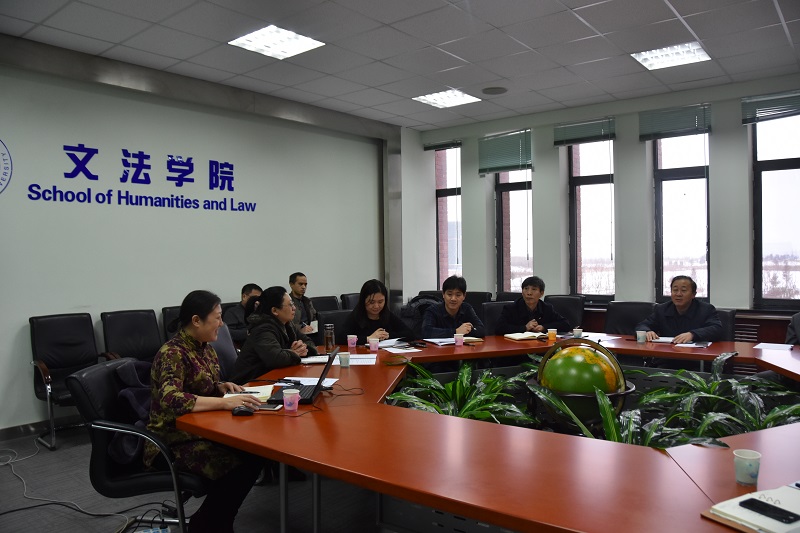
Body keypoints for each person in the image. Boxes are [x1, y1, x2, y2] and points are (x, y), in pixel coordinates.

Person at [145, 290, 264, 533]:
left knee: (255, 453)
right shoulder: (173, 353)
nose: (222, 324)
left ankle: (213, 521)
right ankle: (209, 524)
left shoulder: (206, 348)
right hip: (172, 440)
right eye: (217, 318)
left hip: (202, 430)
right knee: (239, 465)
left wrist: (220, 387)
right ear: (196, 320)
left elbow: (200, 385)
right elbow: (171, 398)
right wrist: (224, 403)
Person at [229, 285, 318, 385]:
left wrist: (302, 348)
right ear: (275, 311)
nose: (294, 308)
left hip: (271, 378)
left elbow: (309, 342)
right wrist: (295, 353)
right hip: (248, 384)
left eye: (293, 303)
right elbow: (276, 359)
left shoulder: (287, 324)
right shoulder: (262, 329)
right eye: (290, 305)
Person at [635, 275, 723, 344]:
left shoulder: (706, 309)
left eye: (683, 290)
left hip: (696, 357)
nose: (678, 294)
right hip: (668, 355)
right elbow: (642, 325)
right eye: (675, 290)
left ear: (693, 294)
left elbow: (716, 329)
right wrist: (647, 331)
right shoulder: (662, 309)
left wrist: (693, 334)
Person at [342, 279, 413, 344]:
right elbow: (341, 338)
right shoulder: (356, 315)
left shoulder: (387, 314)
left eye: (380, 302)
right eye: (372, 302)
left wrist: (388, 336)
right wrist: (368, 338)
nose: (376, 306)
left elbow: (410, 334)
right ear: (363, 300)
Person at [495, 276, 570, 335]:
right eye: (526, 289)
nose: (529, 293)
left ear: (541, 293)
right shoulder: (511, 308)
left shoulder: (546, 308)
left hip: (539, 345)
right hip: (516, 346)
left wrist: (543, 327)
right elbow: (499, 328)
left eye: (534, 289)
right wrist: (524, 328)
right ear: (522, 292)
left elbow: (565, 324)